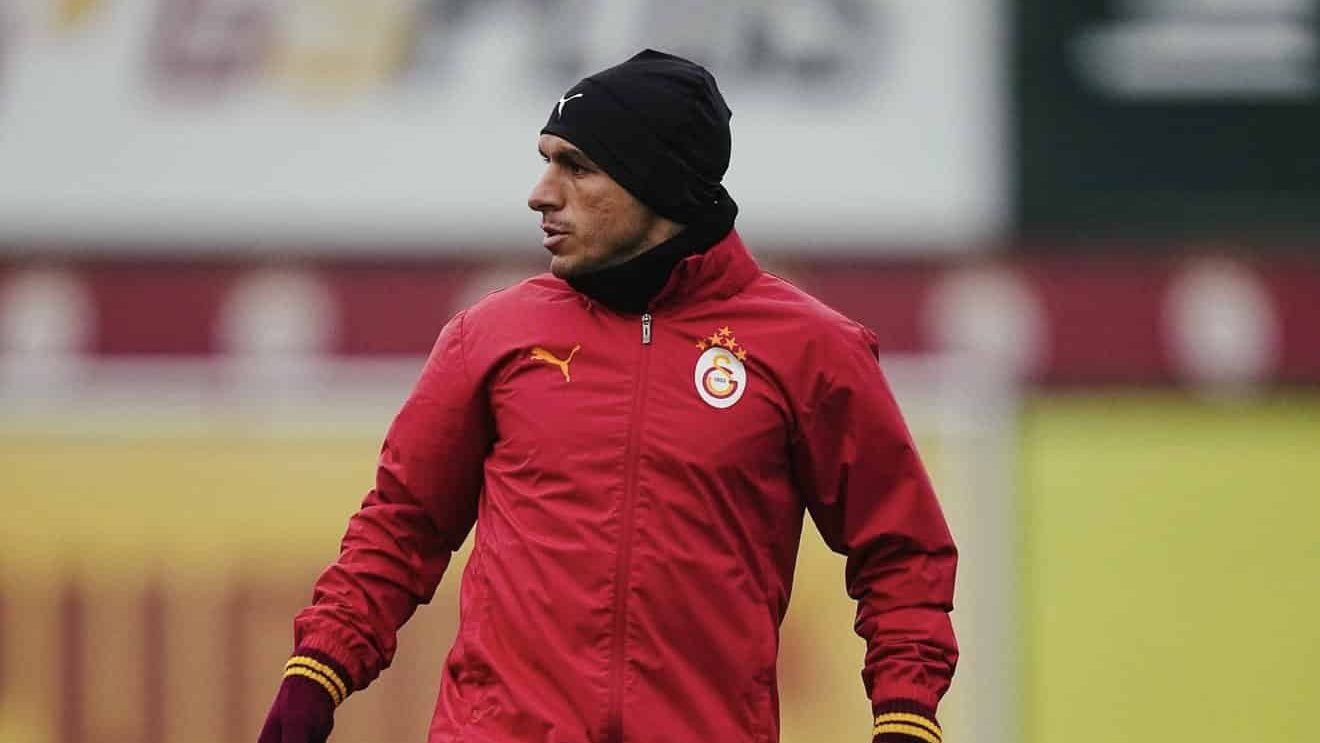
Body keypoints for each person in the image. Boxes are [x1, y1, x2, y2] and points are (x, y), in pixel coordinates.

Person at [257, 49, 957, 743]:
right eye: (546, 161)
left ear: (658, 183)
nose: (540, 193)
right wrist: (316, 674)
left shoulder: (811, 350)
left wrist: (906, 715)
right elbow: (401, 526)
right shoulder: (489, 335)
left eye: (577, 166)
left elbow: (901, 553)